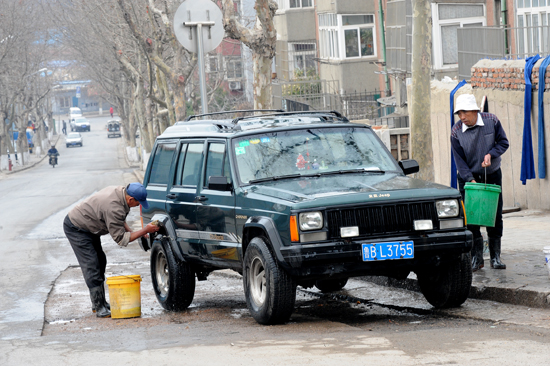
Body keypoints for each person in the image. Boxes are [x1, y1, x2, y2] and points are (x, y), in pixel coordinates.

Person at [63, 183, 160, 318]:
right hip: (77, 228)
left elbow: (119, 220)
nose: (139, 205)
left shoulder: (121, 193)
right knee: (92, 264)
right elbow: (120, 239)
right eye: (138, 203)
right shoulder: (114, 207)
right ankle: (99, 306)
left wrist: (134, 232)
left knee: (100, 260)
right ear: (130, 199)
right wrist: (145, 230)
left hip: (89, 226)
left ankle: (100, 301)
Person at [451, 94, 509, 272]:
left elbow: (503, 143)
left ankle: (495, 257)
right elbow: (459, 162)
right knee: (472, 219)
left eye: (465, 112)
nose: (462, 117)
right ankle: (477, 258)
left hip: (491, 175)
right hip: (469, 178)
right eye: (459, 113)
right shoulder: (456, 132)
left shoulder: (492, 120)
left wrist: (491, 154)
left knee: (494, 215)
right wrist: (471, 181)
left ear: (475, 111)